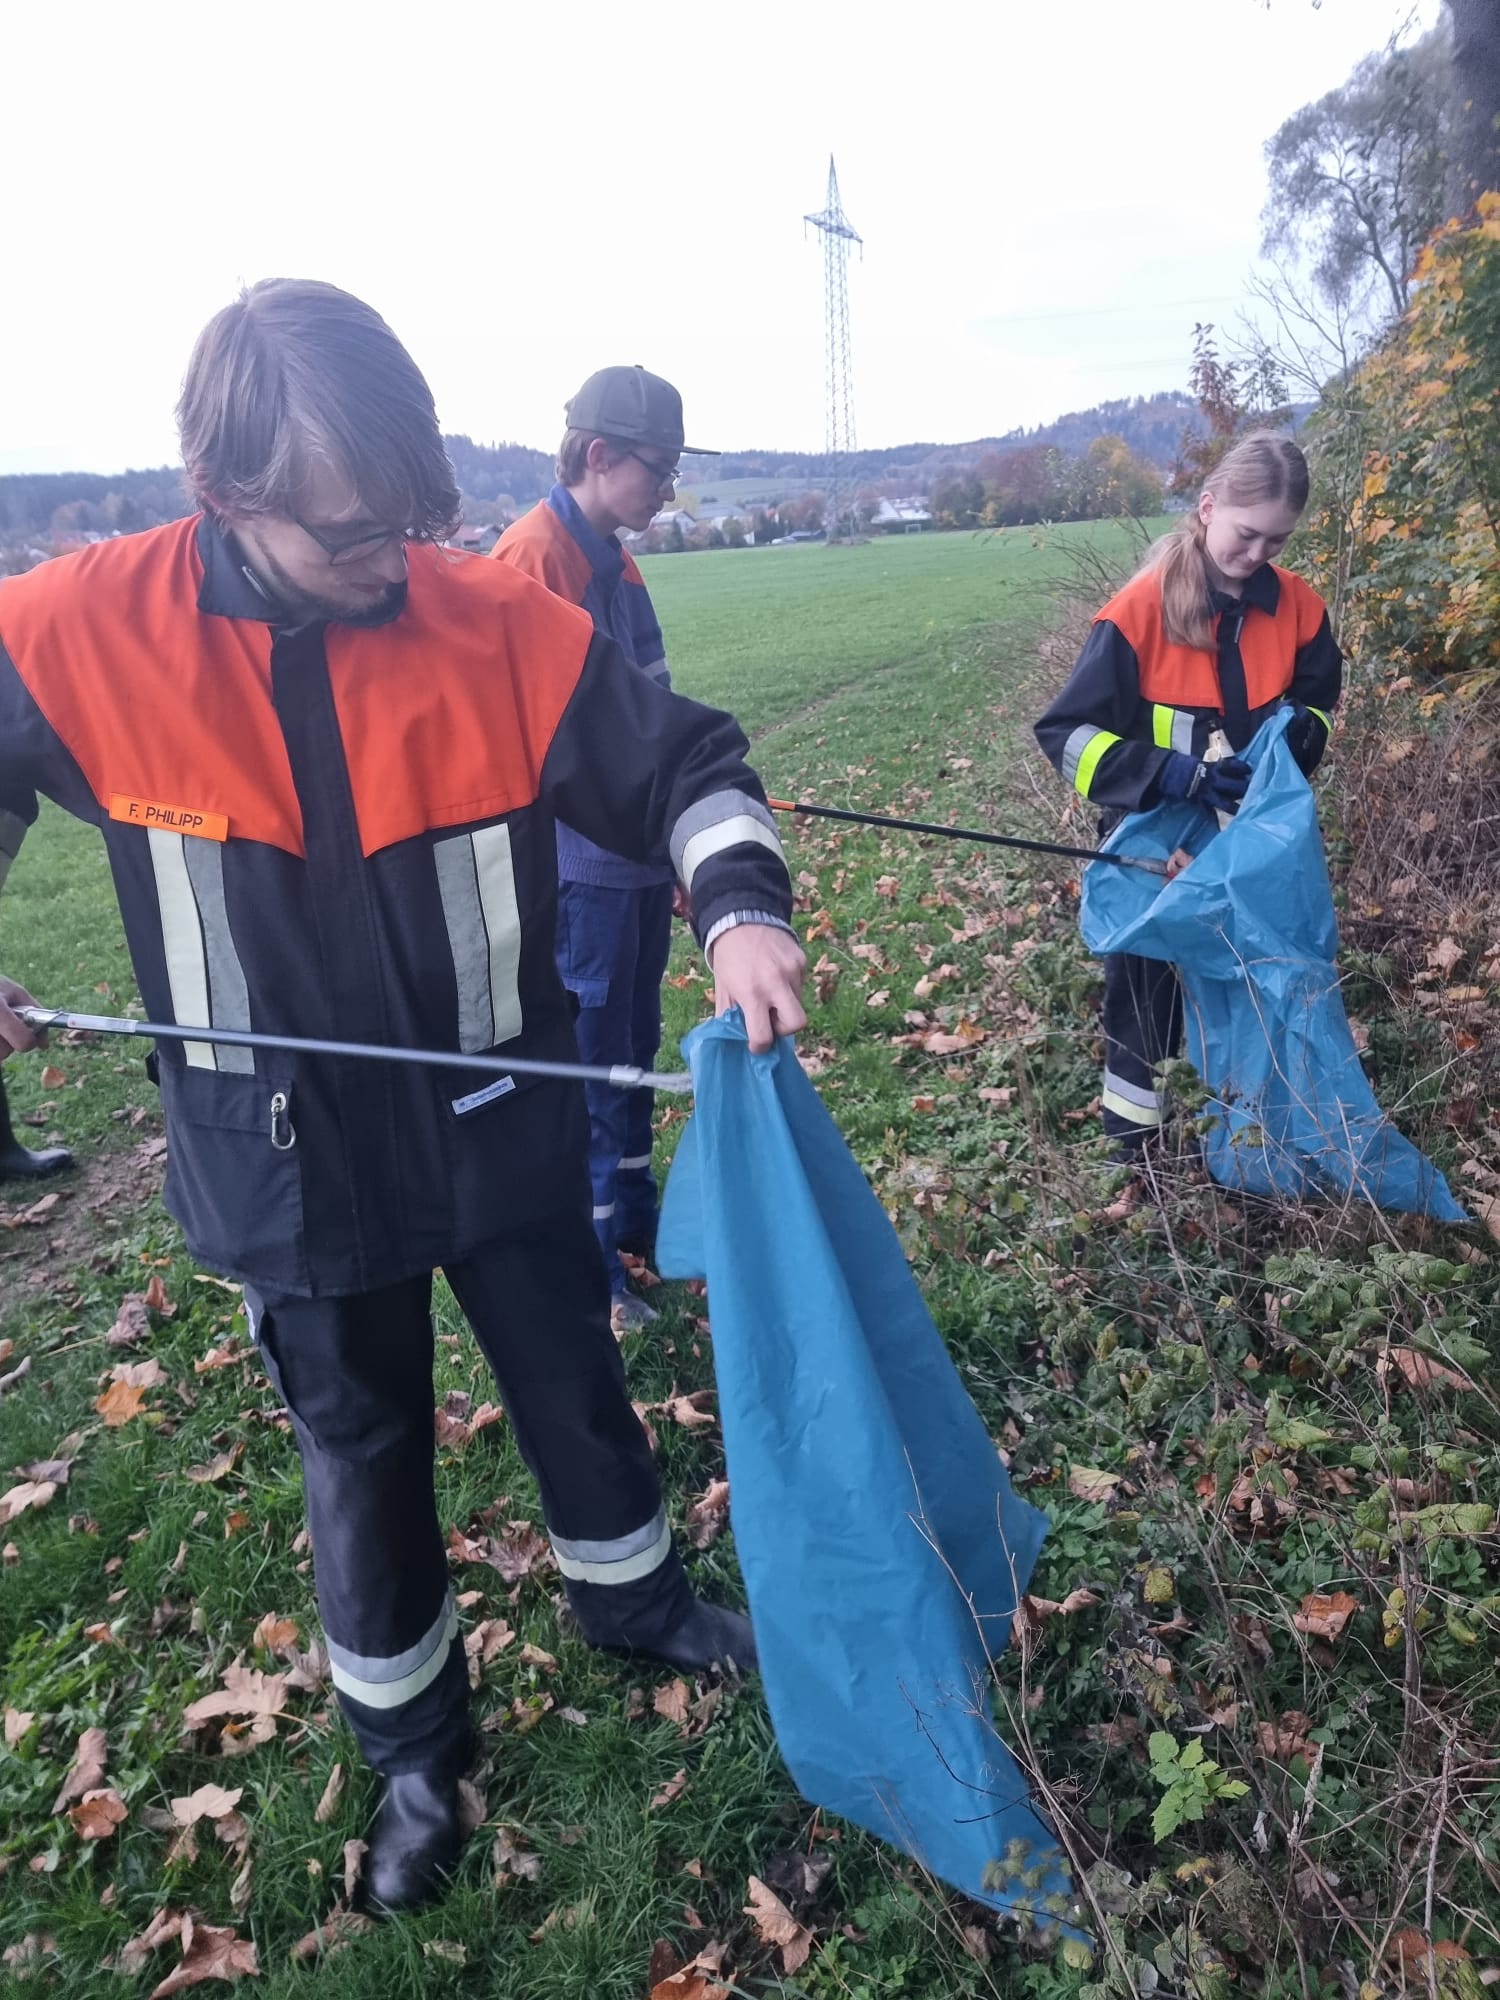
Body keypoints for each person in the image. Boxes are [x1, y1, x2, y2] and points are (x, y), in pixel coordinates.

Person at [0, 279, 806, 1913]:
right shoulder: (75, 630)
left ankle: (635, 1599)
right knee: (360, 1450)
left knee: (573, 1372)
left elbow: (690, 765)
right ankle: (416, 1752)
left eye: (414, 521)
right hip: (283, 1165)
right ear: (223, 496)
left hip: (495, 1124)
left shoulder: (488, 622)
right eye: (358, 537)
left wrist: (742, 911)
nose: (396, 565)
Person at [1034, 432, 1342, 1160]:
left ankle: (1255, 1138)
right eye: (1246, 533)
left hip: (1252, 839)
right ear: (1208, 509)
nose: (1259, 553)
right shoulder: (1137, 613)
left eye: (1278, 539)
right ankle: (1135, 1156)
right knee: (1145, 992)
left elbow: (1320, 701)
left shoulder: (1299, 608)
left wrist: (1298, 740)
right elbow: (1066, 733)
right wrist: (1172, 775)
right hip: (1151, 841)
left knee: (1254, 980)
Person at [493, 366, 709, 1329]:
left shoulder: (620, 563)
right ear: (596, 456)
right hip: (576, 876)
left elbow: (651, 726)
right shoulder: (528, 565)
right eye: (656, 469)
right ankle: (596, 1281)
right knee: (589, 1066)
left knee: (631, 1046)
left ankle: (636, 1223)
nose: (667, 488)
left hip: (632, 865)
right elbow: (519, 755)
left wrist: (672, 852)